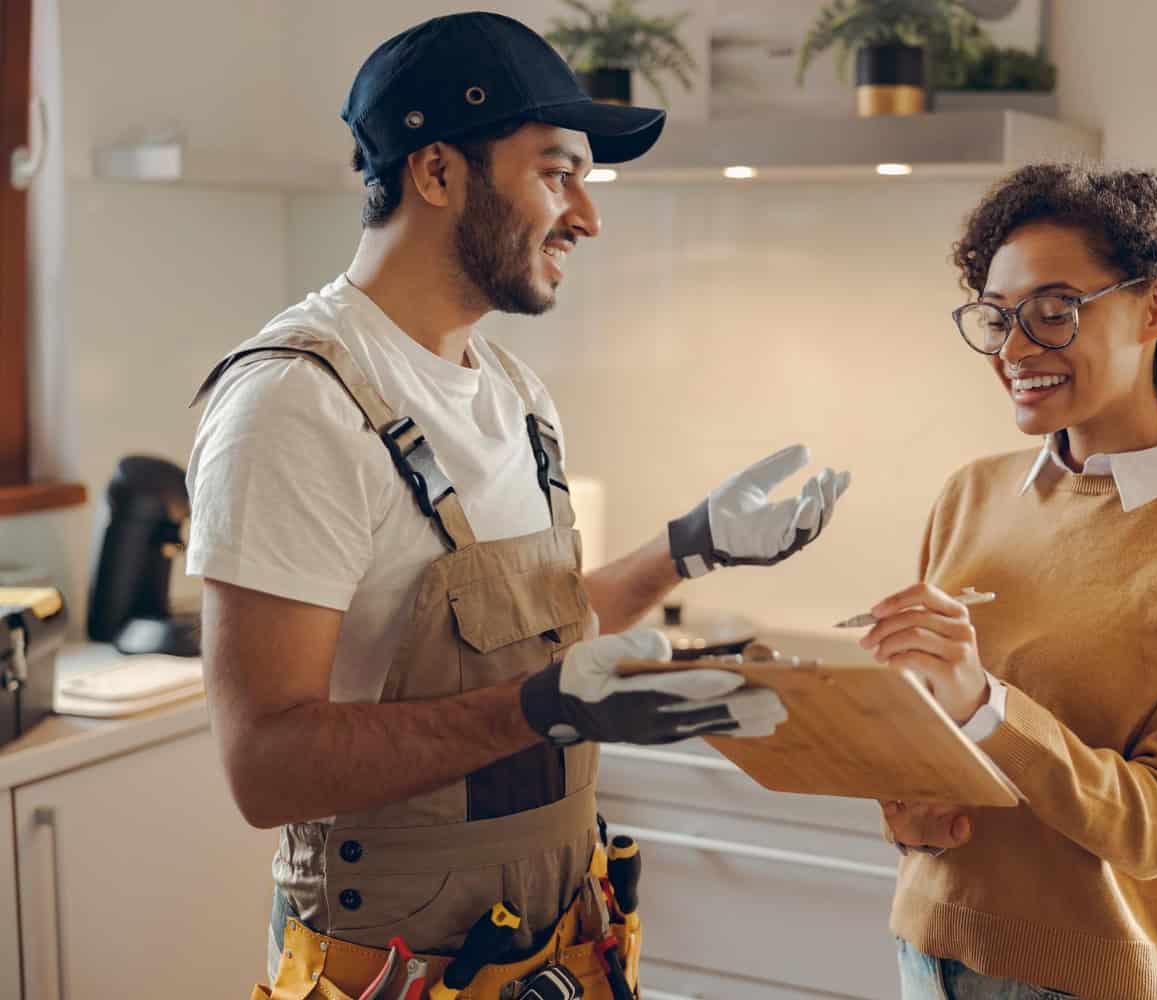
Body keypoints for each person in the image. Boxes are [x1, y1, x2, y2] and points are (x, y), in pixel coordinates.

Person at [185, 13, 849, 998]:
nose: (587, 215)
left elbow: (530, 629)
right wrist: (544, 707)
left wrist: (687, 549)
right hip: (391, 969)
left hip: (557, 945)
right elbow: (266, 764)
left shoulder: (509, 390)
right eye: (556, 172)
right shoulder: (295, 405)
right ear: (439, 171)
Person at [862, 163, 1157, 1000]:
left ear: (1156, 308)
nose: (1017, 349)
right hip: (925, 952)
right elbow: (935, 747)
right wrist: (908, 807)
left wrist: (981, 701)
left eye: (1054, 311)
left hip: (1080, 980)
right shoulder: (972, 494)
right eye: (997, 319)